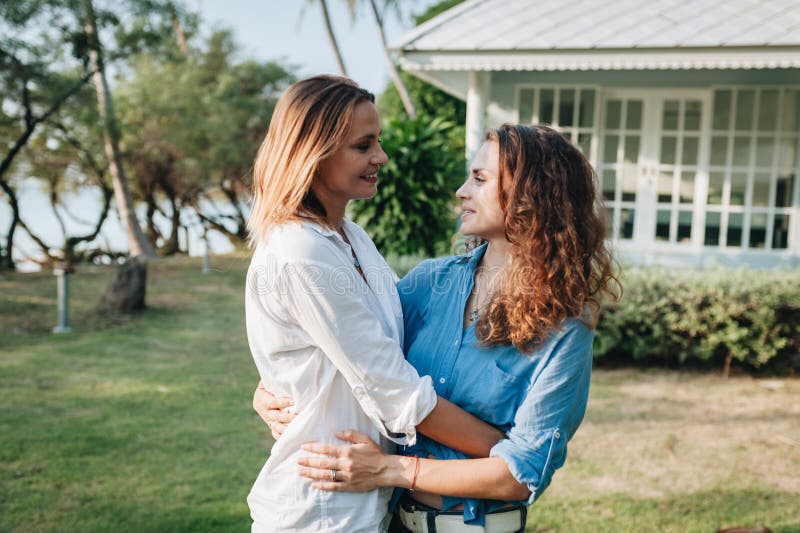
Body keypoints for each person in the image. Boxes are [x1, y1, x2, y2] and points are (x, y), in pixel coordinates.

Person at [255, 123, 620, 532]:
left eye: (480, 179)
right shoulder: (431, 282)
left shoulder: (565, 325)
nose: (462, 191)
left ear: (531, 196)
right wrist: (272, 390)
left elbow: (520, 474)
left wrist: (391, 470)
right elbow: (357, 349)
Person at [244, 74, 509, 533]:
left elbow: (386, 335)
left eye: (378, 142)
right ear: (316, 151)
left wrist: (270, 390)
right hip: (321, 509)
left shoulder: (348, 237)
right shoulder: (300, 251)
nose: (381, 157)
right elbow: (394, 389)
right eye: (363, 145)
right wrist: (500, 449)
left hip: (366, 503)